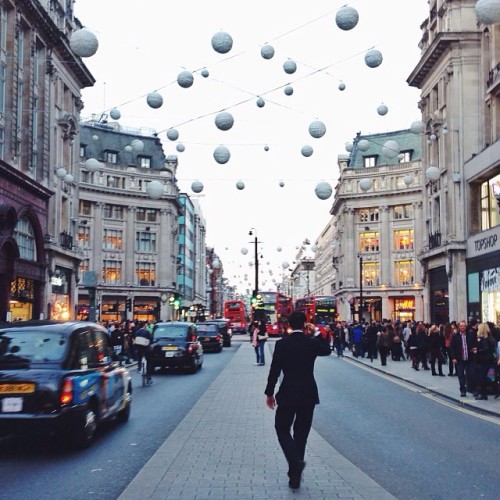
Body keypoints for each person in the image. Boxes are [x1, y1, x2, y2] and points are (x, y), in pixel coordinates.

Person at [264, 310, 331, 490]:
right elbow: (327, 349)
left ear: (289, 324)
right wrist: (316, 332)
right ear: (305, 324)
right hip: (308, 394)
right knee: (301, 436)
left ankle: (294, 464)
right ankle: (295, 476)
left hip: (288, 393)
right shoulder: (311, 343)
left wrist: (269, 393)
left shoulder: (282, 344)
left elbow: (274, 370)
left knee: (281, 428)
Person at [450, 320, 478, 397]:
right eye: (461, 326)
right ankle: (463, 391)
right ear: (459, 327)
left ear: (466, 327)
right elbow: (452, 348)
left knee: (472, 375)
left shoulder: (471, 335)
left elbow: (475, 344)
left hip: (470, 359)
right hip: (460, 359)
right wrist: (453, 358)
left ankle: (474, 390)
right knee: (461, 375)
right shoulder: (455, 336)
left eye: (464, 326)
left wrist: (475, 349)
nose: (463, 327)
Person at [474, 322, 496, 400]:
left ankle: (483, 394)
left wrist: (478, 351)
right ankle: (484, 394)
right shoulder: (491, 338)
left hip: (483, 360)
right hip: (490, 360)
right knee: (486, 377)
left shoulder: (483, 339)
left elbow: (485, 349)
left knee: (482, 377)